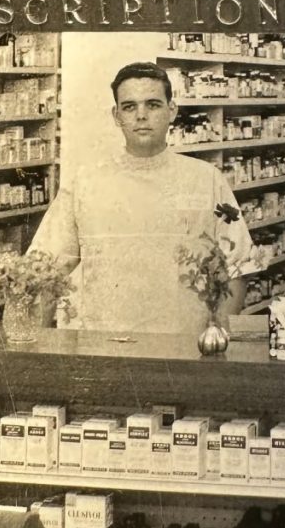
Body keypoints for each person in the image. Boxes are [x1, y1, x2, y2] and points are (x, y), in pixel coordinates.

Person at [28, 61, 257, 335]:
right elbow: (43, 271)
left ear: (172, 111)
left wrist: (216, 338)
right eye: (129, 106)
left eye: (153, 104)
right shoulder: (85, 183)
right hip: (104, 350)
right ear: (116, 116)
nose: (141, 115)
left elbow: (238, 268)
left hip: (185, 350)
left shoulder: (207, 180)